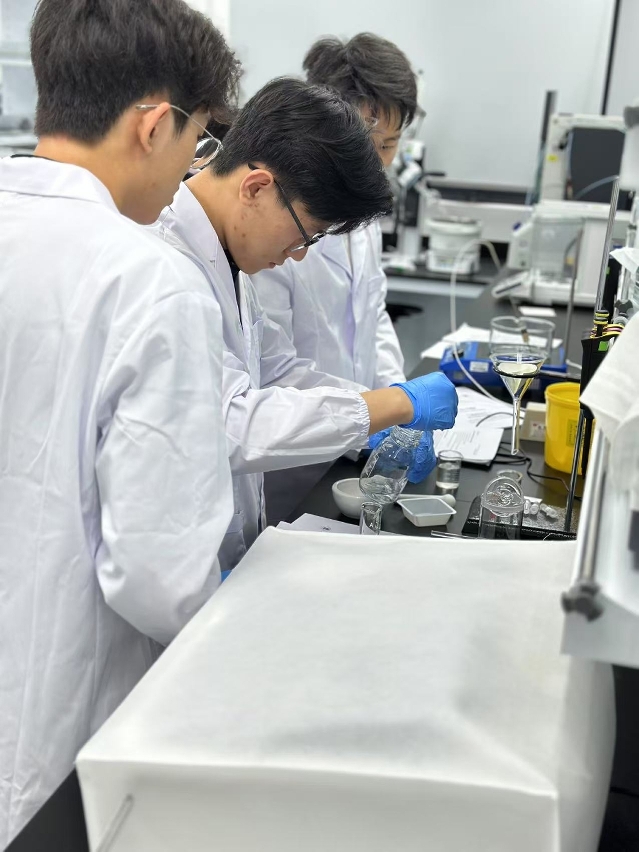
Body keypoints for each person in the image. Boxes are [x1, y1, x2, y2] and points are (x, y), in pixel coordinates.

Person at [0, 0, 240, 842]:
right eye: (197, 140)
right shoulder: (149, 281)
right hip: (55, 726)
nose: (189, 170)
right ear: (152, 125)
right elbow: (157, 575)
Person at [151, 77, 458, 571]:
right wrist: (391, 404)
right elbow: (228, 423)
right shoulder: (165, 265)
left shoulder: (227, 258)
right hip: (172, 565)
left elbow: (280, 370)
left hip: (224, 546)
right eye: (306, 235)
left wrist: (376, 414)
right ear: (256, 188)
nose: (297, 256)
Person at [253, 33, 417, 390]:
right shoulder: (279, 222)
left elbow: (374, 315)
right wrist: (368, 409)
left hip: (363, 415)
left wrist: (397, 394)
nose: (375, 165)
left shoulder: (366, 221)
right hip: (306, 419)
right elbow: (273, 366)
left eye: (388, 145)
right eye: (364, 145)